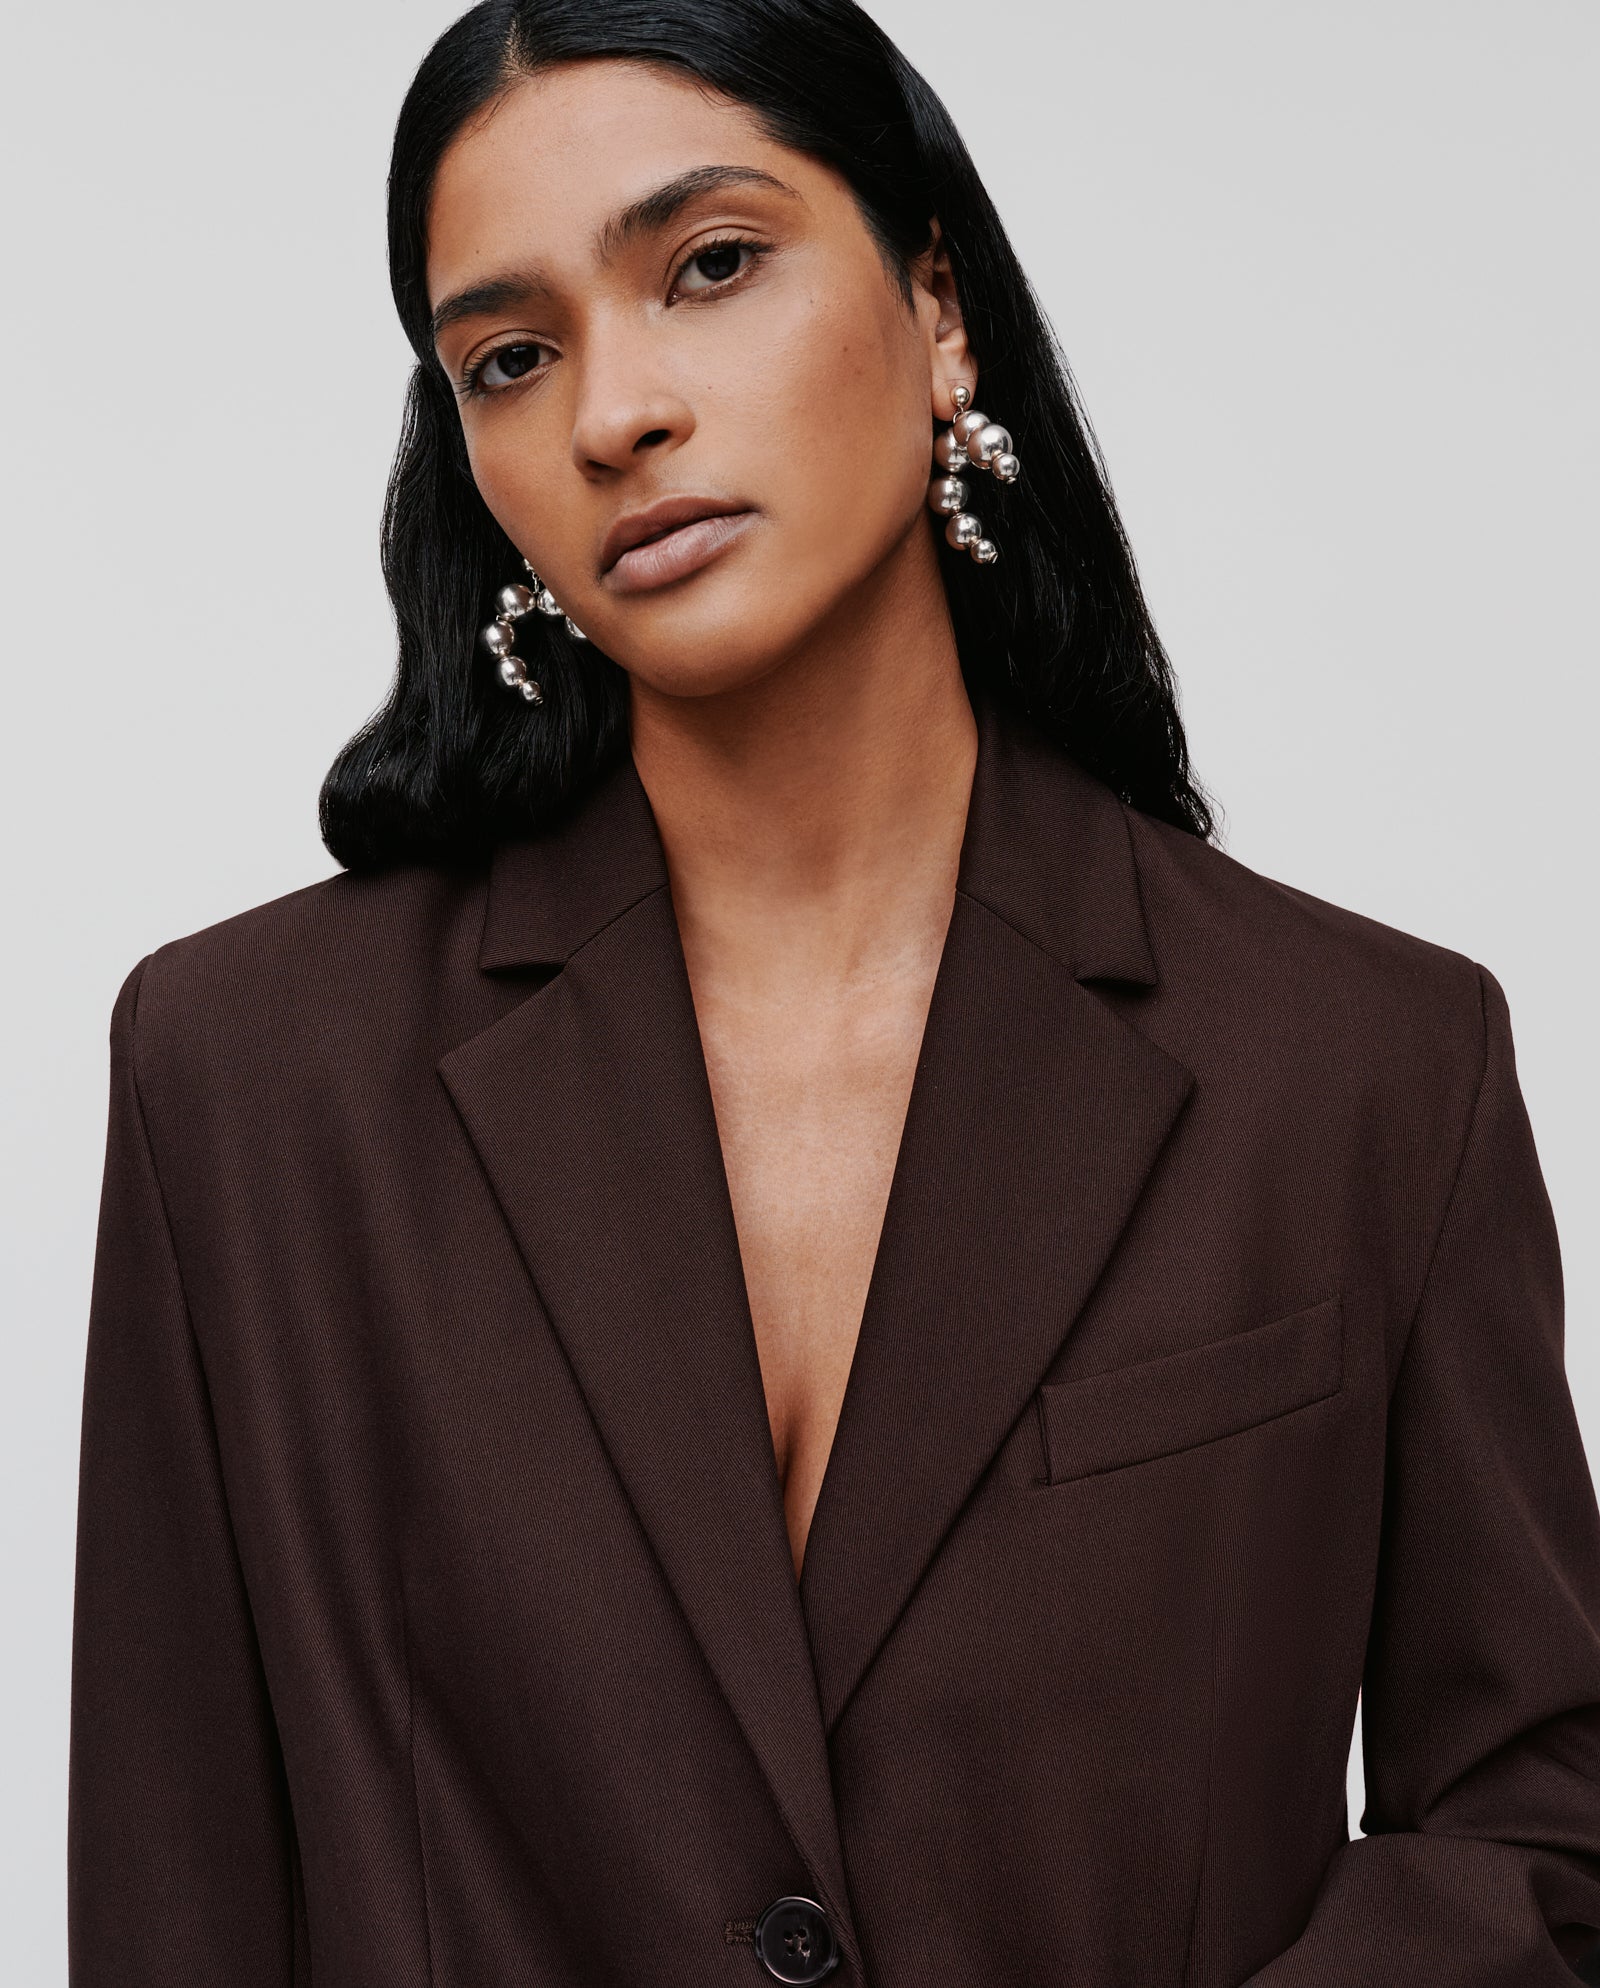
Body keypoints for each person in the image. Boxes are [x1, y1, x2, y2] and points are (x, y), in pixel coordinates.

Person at [66, 1, 1600, 1983]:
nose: (614, 409)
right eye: (508, 356)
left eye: (708, 265)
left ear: (935, 306)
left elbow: (1541, 1816)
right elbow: (176, 1888)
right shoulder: (244, 1082)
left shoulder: (1359, 1062)